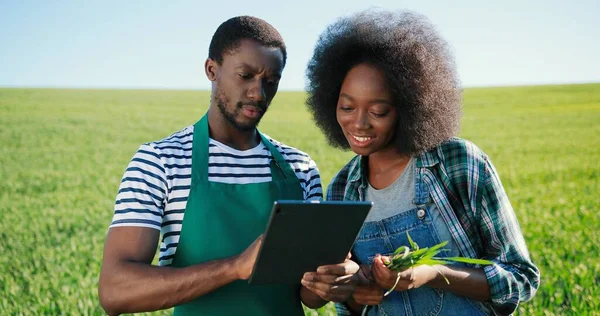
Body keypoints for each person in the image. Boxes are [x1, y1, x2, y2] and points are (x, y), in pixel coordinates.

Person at [98, 16, 358, 316]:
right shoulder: (160, 162)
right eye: (245, 75)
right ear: (212, 70)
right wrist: (235, 267)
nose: (258, 93)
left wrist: (331, 281)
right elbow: (115, 291)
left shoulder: (299, 168)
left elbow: (308, 295)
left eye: (270, 81)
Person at [302, 10, 540, 315]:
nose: (358, 124)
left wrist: (432, 273)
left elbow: (521, 279)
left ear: (410, 106)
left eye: (378, 111)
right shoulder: (342, 189)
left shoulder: (460, 163)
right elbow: (349, 306)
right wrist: (357, 291)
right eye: (347, 107)